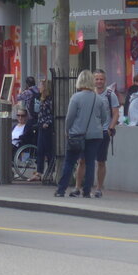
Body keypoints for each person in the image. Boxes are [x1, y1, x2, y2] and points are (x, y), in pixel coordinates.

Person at [55, 70, 109, 198]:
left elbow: (70, 117)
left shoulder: (76, 97)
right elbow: (104, 117)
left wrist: (67, 130)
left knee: (70, 162)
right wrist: (96, 125)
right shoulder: (98, 98)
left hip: (77, 134)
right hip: (95, 135)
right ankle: (86, 191)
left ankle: (61, 190)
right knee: (90, 163)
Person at [32, 81, 56, 181]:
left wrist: (48, 122)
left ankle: (50, 171)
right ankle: (39, 172)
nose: (39, 87)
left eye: (41, 86)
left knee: (48, 150)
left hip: (46, 127)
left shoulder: (50, 100)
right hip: (41, 125)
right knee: (40, 150)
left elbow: (52, 113)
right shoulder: (42, 99)